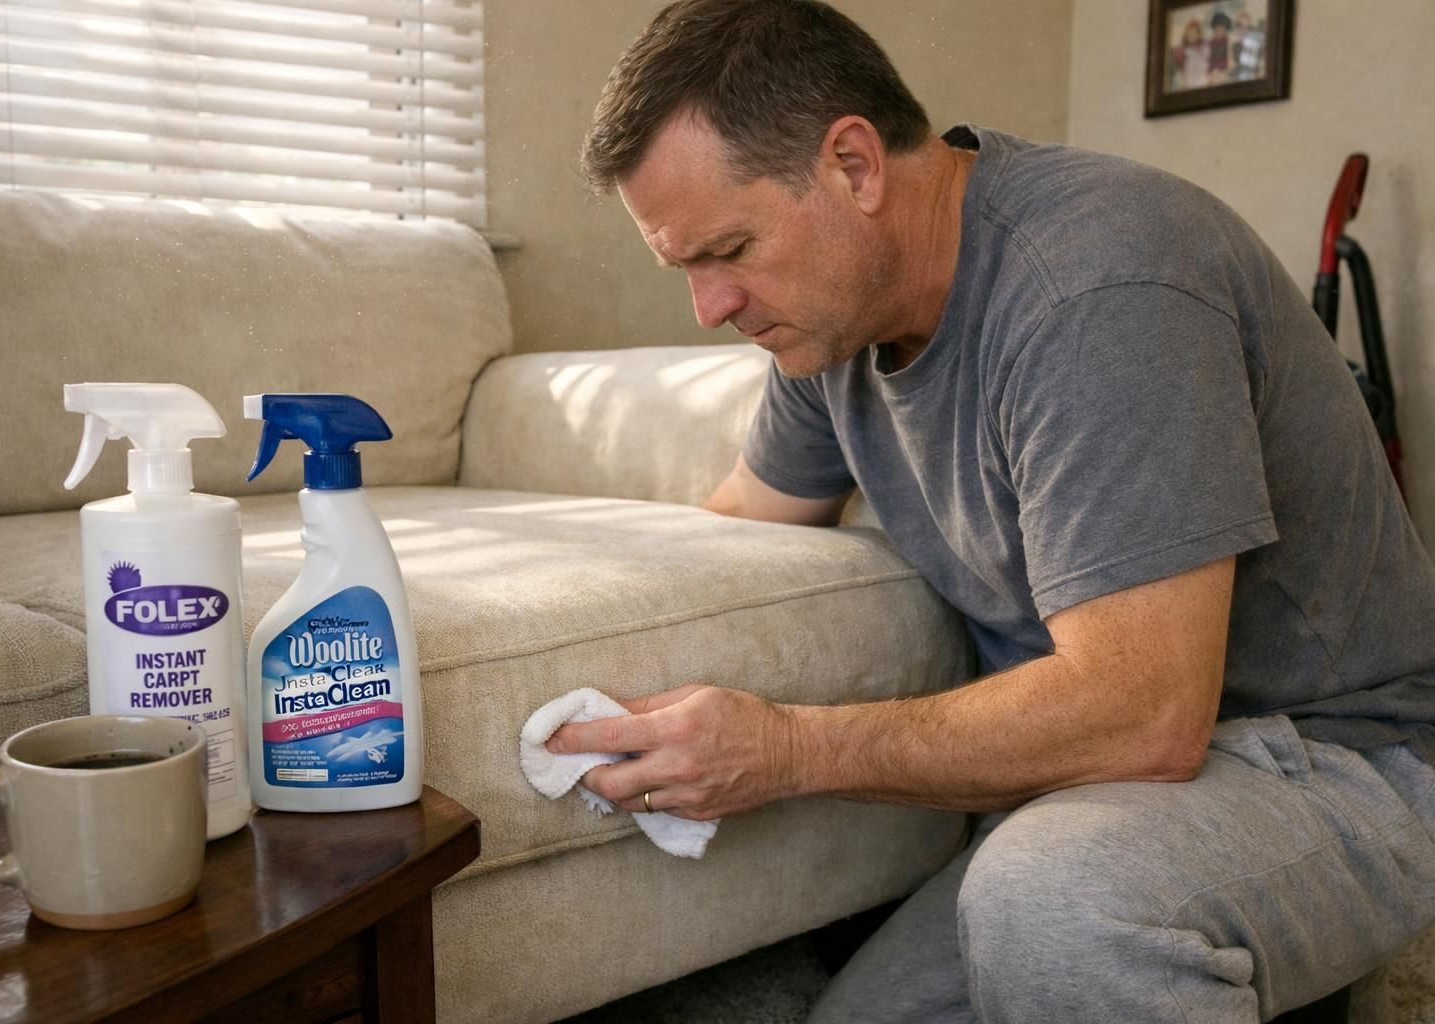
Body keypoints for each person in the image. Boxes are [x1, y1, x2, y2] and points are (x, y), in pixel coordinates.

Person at [550, 1, 1435, 1020]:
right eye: (686, 268)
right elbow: (745, 517)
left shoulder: (1098, 285)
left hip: (1343, 756)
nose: (709, 307)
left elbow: (1144, 715)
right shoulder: (828, 330)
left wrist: (787, 748)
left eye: (729, 249)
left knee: (1055, 910)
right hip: (1083, 798)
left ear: (854, 165)